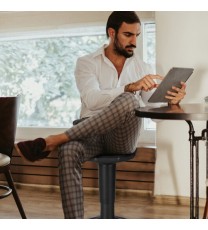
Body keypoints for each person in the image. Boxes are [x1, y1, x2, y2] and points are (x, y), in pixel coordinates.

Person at [15, 11, 186, 218]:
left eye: (137, 35)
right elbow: (92, 100)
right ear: (112, 33)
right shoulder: (86, 63)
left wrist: (171, 102)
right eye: (128, 35)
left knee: (129, 99)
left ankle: (56, 139)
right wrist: (130, 86)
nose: (134, 42)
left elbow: (155, 115)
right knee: (68, 151)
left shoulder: (142, 67)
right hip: (89, 134)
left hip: (122, 137)